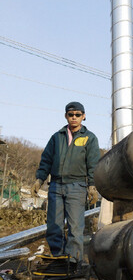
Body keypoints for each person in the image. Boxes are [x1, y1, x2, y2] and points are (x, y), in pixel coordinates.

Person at [31, 101, 100, 269]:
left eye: (77, 115)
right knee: (54, 224)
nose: (74, 118)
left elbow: (93, 164)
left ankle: (74, 261)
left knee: (75, 226)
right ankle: (58, 258)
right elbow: (46, 159)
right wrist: (39, 179)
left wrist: (92, 185)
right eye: (71, 115)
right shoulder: (57, 137)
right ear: (65, 116)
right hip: (55, 186)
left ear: (83, 116)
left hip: (76, 186)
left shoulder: (89, 138)